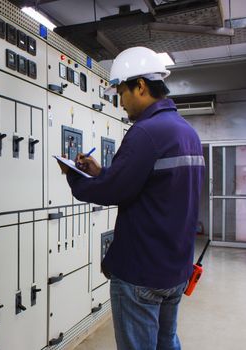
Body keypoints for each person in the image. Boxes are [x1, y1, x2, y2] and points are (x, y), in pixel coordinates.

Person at [59, 47, 204, 350]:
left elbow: (112, 191)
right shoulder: (187, 132)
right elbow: (147, 184)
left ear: (140, 86)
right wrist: (101, 171)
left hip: (142, 273)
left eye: (121, 92)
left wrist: (74, 175)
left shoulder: (146, 132)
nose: (120, 101)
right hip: (175, 269)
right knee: (167, 342)